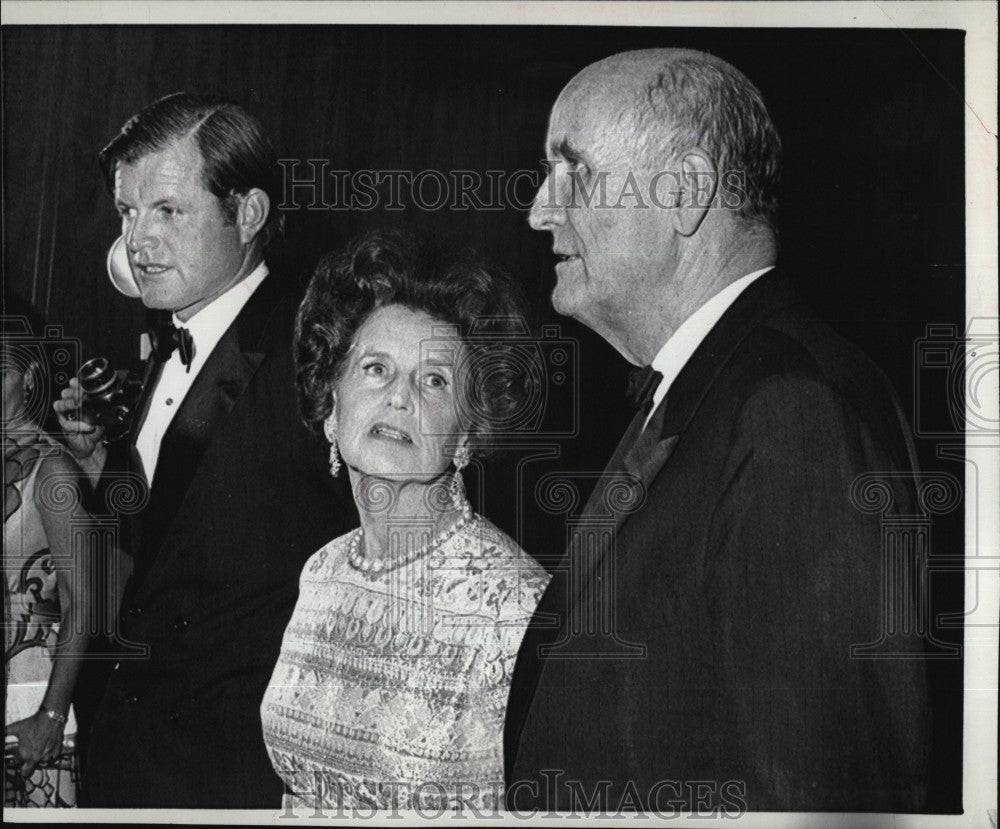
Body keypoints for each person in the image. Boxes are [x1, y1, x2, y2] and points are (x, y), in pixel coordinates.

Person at [504, 49, 932, 813]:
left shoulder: (794, 409)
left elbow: (815, 797)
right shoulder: (711, 386)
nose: (540, 209)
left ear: (686, 192)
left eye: (572, 170)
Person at [52, 93, 355, 807]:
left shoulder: (313, 354)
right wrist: (103, 467)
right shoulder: (171, 337)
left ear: (247, 215)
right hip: (128, 748)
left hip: (227, 775)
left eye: (167, 210)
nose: (137, 242)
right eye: (128, 213)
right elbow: (167, 547)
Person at [261, 229, 550, 812]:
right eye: (375, 369)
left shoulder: (514, 607)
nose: (400, 397)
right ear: (330, 403)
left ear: (467, 433)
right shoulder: (322, 571)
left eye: (434, 381)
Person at [3, 297, 91, 807]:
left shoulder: (52, 471)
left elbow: (84, 601)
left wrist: (51, 716)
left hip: (30, 702)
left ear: (30, 377)